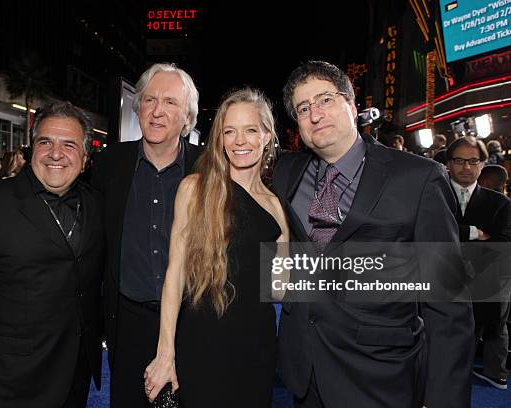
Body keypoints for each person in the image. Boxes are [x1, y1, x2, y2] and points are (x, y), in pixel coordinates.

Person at [273, 60, 474, 408]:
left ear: (352, 106)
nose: (315, 114)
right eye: (303, 109)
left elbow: (449, 303)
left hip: (381, 375)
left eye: (325, 100)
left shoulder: (419, 178)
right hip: (305, 371)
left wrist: (444, 398)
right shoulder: (287, 172)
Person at [0, 101, 104, 408]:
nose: (56, 153)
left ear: (84, 158)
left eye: (69, 145)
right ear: (30, 151)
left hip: (75, 375)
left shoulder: (96, 205)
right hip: (8, 380)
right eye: (46, 142)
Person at [144, 88, 289, 407]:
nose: (240, 141)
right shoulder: (195, 188)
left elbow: (279, 287)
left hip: (257, 345)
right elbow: (175, 273)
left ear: (266, 135)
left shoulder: (276, 206)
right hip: (203, 340)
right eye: (229, 131)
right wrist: (165, 351)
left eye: (250, 130)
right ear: (219, 139)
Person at [90, 63, 201, 408]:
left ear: (187, 117)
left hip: (193, 323)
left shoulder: (208, 167)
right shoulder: (109, 164)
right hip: (128, 323)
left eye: (170, 102)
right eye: (150, 100)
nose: (156, 111)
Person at [446, 136, 511, 390]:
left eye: (473, 161)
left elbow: (503, 242)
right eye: (459, 160)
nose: (466, 167)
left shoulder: (501, 204)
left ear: (483, 164)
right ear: (448, 164)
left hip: (486, 277)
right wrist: (473, 232)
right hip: (439, 273)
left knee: (492, 322)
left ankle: (494, 374)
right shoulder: (431, 195)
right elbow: (428, 235)